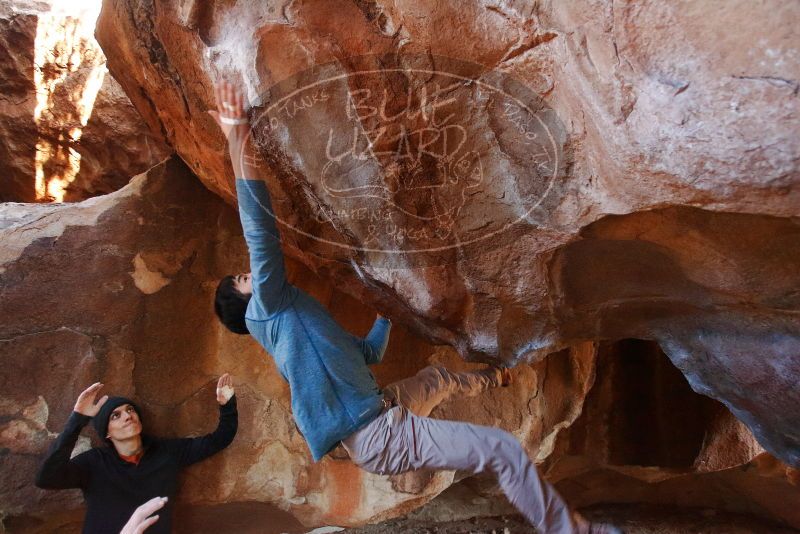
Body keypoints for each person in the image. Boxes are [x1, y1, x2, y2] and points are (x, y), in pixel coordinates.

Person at [211, 81, 620, 534]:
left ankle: (493, 378)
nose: (251, 274)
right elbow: (259, 229)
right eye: (243, 279)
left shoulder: (299, 326)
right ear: (245, 302)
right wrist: (237, 133)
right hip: (381, 435)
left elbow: (368, 354)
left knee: (437, 379)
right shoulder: (267, 310)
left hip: (385, 408)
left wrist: (385, 314)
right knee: (502, 449)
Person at [35, 375, 237, 534]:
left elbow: (219, 439)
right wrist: (78, 419)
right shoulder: (94, 462)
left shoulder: (167, 453)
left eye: (130, 410)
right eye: (116, 415)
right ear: (106, 432)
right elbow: (47, 478)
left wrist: (227, 405)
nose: (127, 416)